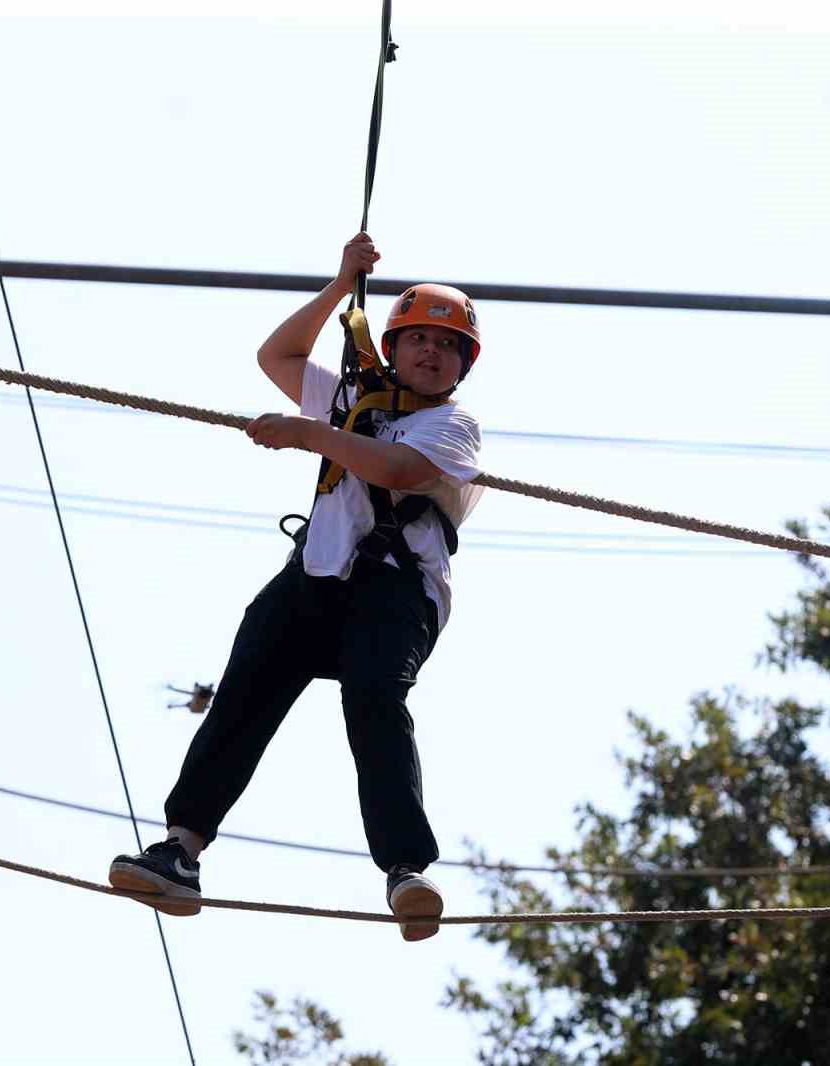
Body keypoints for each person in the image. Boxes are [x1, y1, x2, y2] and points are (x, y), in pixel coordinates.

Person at [109, 233, 484, 941]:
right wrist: (342, 283)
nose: (431, 353)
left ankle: (405, 869)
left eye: (447, 346)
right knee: (246, 686)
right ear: (393, 346)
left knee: (374, 699)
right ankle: (180, 852)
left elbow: (397, 470)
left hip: (395, 592)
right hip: (316, 575)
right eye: (418, 340)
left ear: (461, 366)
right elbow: (276, 357)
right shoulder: (351, 395)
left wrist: (312, 434)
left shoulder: (453, 425)